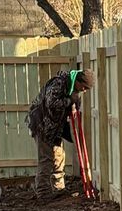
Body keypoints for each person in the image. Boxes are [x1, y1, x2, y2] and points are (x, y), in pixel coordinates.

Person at [26, 64, 89, 199]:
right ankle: (43, 193)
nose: (85, 91)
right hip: (42, 125)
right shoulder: (58, 84)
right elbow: (52, 104)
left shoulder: (72, 89)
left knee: (59, 157)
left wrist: (74, 104)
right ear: (78, 82)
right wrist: (69, 101)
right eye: (84, 87)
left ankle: (58, 189)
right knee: (46, 159)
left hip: (55, 128)